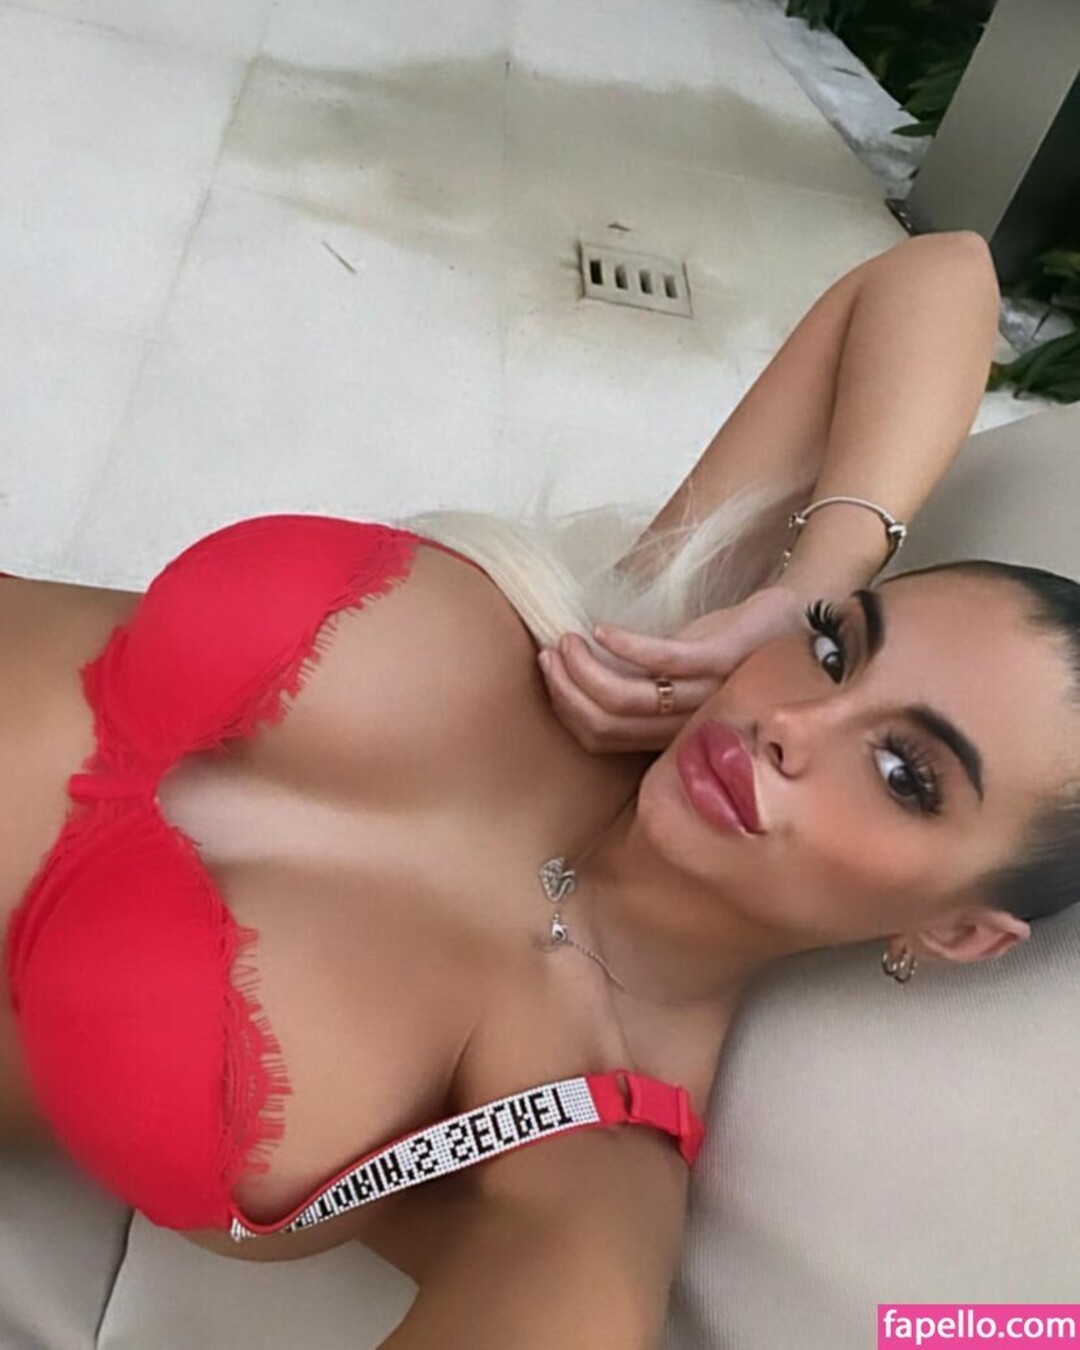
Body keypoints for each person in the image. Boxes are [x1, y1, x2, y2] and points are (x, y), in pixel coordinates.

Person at [2, 231, 1059, 1349]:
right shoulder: (643, 630)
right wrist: (814, 584)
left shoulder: (582, 1158)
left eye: (904, 773)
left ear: (959, 930)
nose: (792, 723)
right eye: (841, 652)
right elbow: (942, 272)